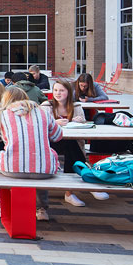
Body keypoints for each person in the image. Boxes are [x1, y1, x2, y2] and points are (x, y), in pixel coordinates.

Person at [0, 86, 63, 221]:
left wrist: (1, 134)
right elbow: (58, 136)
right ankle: (41, 209)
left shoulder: (2, 115)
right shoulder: (43, 113)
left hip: (12, 169)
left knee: (1, 159)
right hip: (44, 170)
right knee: (40, 162)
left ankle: (5, 207)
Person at [41, 79, 109, 207]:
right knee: (70, 145)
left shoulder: (76, 106)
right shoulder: (46, 106)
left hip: (71, 144)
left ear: (68, 92)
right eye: (55, 90)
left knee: (70, 145)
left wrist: (80, 122)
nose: (58, 93)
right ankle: (88, 182)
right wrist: (54, 123)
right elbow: (39, 124)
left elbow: (84, 127)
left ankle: (70, 193)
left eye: (61, 90)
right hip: (50, 144)